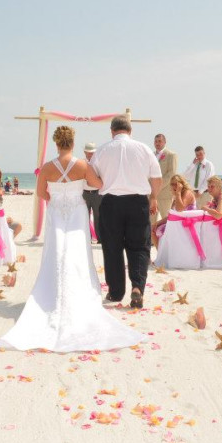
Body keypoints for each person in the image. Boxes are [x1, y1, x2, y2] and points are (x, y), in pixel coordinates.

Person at [0, 126, 145, 352]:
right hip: (76, 212)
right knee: (76, 253)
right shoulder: (82, 165)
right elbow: (99, 185)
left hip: (57, 212)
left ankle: (52, 294)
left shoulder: (47, 167)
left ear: (57, 143)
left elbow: (40, 193)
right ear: (72, 143)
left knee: (56, 252)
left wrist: (56, 199)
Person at [91, 114, 162, 309]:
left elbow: (92, 177)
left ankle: (115, 292)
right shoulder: (144, 149)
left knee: (112, 248)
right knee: (139, 246)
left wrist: (103, 184)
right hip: (138, 202)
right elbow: (156, 177)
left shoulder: (102, 150)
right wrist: (154, 197)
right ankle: (137, 287)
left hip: (111, 202)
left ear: (112, 131)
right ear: (130, 131)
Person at [152, 174, 196, 247]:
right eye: (172, 184)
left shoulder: (187, 193)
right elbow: (171, 216)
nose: (174, 186)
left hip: (185, 225)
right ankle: (161, 254)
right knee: (153, 229)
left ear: (181, 184)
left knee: (161, 231)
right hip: (176, 224)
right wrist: (157, 223)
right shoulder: (176, 197)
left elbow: (179, 209)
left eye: (176, 184)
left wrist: (178, 192)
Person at [152, 133, 178, 221]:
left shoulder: (171, 155)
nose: (157, 143)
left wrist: (158, 187)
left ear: (165, 142)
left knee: (166, 221)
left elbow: (171, 173)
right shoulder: (151, 155)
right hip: (152, 195)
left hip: (165, 194)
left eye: (159, 141)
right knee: (151, 222)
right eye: (155, 141)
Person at [82, 142, 102, 243]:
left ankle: (99, 238)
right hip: (84, 193)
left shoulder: (99, 164)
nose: (90, 155)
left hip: (97, 193)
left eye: (92, 153)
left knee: (98, 216)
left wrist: (93, 182)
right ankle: (86, 238)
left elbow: (102, 178)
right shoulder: (81, 164)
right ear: (85, 152)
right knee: (85, 216)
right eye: (88, 152)